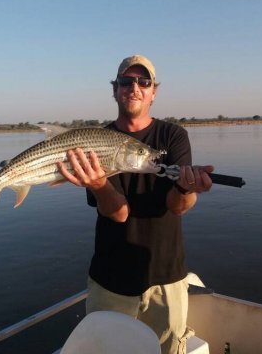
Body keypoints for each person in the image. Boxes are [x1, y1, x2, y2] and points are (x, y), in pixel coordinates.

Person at [57, 55, 214, 354]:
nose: (135, 87)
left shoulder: (173, 136)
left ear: (154, 91)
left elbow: (178, 206)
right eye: (127, 82)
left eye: (144, 82)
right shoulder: (97, 140)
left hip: (166, 276)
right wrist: (99, 184)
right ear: (115, 90)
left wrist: (185, 186)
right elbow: (118, 213)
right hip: (110, 278)